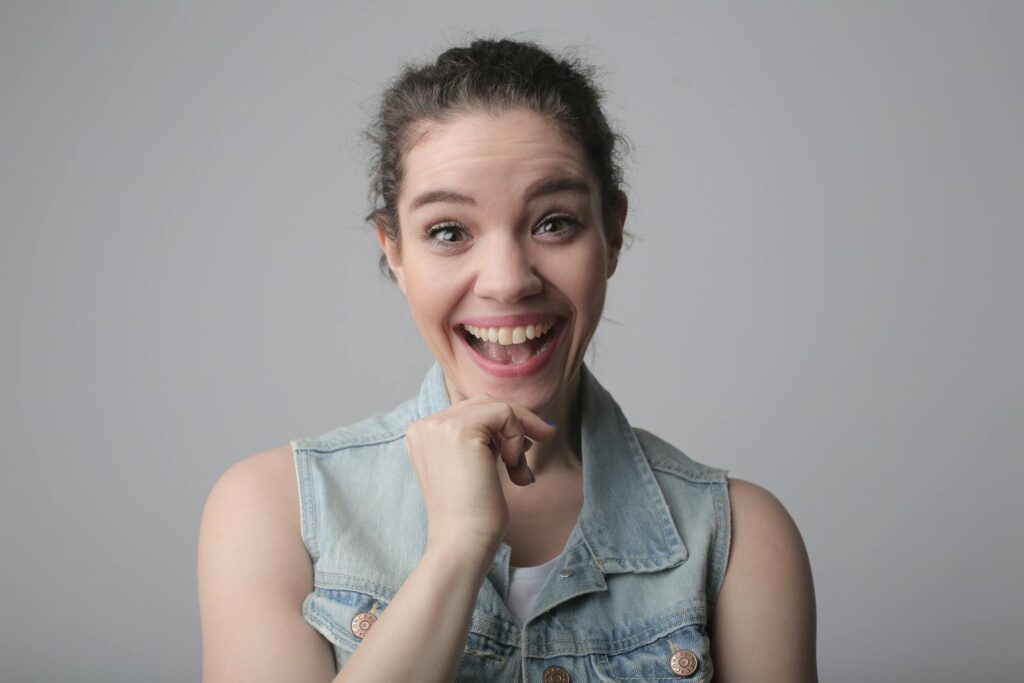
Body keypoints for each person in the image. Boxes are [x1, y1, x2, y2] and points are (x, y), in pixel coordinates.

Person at [197, 37, 817, 682]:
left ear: (611, 238)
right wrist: (457, 550)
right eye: (448, 231)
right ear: (395, 251)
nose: (507, 281)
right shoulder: (275, 509)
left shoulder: (740, 536)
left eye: (554, 222)